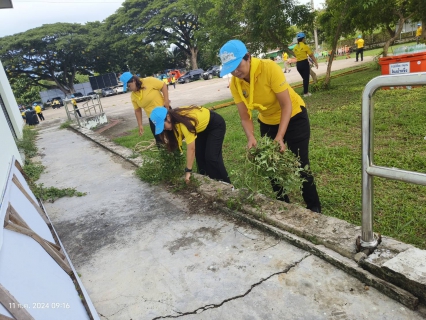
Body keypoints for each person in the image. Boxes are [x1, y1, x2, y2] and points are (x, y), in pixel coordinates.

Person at [219, 39, 321, 213]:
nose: (236, 72)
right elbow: (245, 117)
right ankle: (283, 204)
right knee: (270, 165)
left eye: (238, 66)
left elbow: (286, 105)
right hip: (267, 121)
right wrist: (251, 137)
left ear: (248, 57)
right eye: (231, 69)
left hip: (294, 115)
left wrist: (280, 136)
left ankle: (314, 208)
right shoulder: (236, 83)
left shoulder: (268, 68)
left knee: (300, 163)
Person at [150, 106, 231, 184]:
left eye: (163, 126)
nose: (164, 129)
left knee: (212, 157)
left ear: (168, 117)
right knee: (200, 156)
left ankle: (227, 185)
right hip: (201, 129)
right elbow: (177, 142)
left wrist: (188, 171)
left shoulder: (184, 123)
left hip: (215, 125)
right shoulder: (175, 120)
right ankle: (208, 181)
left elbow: (191, 149)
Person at [119, 72, 170, 145]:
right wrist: (140, 125)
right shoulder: (133, 96)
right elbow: (137, 110)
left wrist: (166, 100)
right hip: (153, 118)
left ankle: (177, 152)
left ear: (133, 80)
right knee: (159, 140)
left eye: (129, 86)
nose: (129, 88)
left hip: (164, 111)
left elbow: (163, 85)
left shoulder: (149, 81)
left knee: (171, 135)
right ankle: (165, 154)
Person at [293, 32, 318, 97]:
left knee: (305, 79)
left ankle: (306, 92)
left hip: (298, 65)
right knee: (306, 79)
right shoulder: (305, 46)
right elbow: (311, 56)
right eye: (304, 38)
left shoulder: (295, 48)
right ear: (303, 39)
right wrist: (316, 62)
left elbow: (296, 55)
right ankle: (305, 93)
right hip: (304, 63)